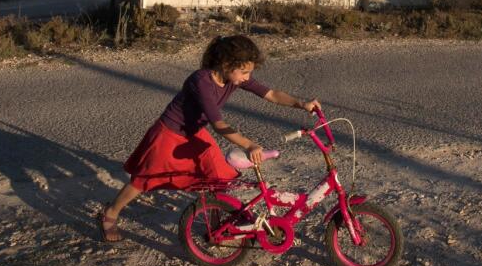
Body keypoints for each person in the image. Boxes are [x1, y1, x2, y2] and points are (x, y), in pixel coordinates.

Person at [98, 34, 321, 242]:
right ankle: (110, 213)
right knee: (144, 180)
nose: (247, 78)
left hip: (194, 133)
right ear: (226, 65)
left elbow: (271, 94)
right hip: (170, 132)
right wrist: (249, 145)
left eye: (249, 73)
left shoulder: (235, 78)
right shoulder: (202, 80)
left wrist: (301, 104)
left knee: (219, 177)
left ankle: (216, 225)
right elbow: (218, 123)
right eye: (244, 72)